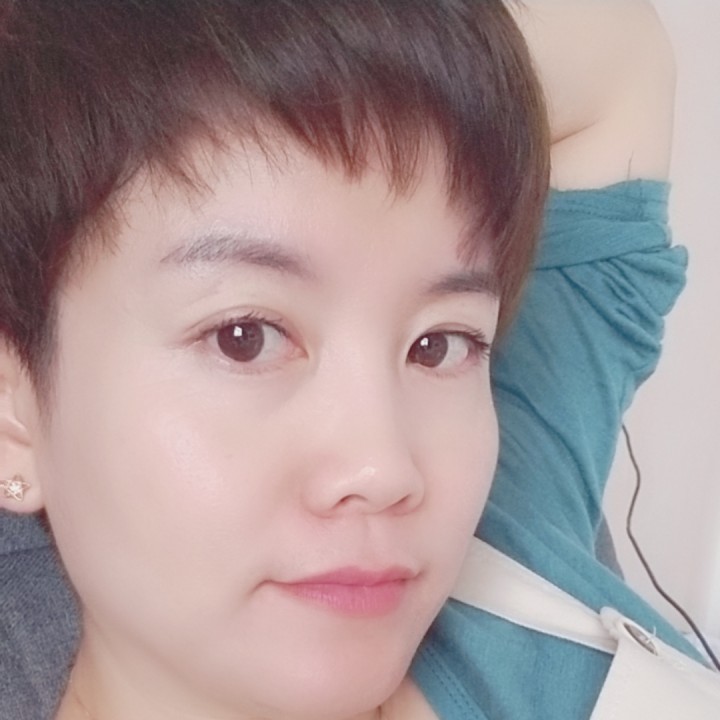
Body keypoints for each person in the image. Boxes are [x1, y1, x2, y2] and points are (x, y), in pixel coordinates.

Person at [0, 1, 716, 719]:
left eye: (440, 345)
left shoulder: (515, 534)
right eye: (245, 337)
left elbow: (621, 58)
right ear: (13, 409)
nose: (384, 470)